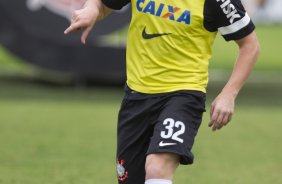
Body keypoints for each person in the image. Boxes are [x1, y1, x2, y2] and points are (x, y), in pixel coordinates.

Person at [64, 0, 260, 183]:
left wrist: (229, 94)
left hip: (183, 95)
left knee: (157, 168)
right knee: (130, 178)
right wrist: (91, 10)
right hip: (136, 96)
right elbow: (103, 4)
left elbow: (250, 45)